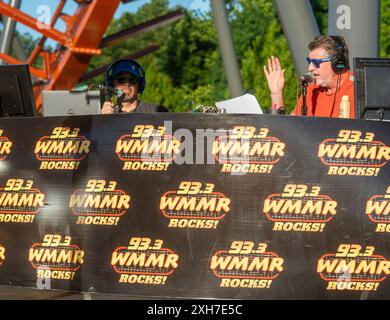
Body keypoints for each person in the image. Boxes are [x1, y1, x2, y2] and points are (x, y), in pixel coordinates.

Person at [264, 35, 355, 118]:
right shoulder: (312, 91)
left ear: (337, 63)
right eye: (309, 61)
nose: (310, 68)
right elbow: (288, 127)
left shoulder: (359, 90)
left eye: (316, 63)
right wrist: (277, 94)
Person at [101, 59, 168, 114]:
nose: (127, 83)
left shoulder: (157, 111)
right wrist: (102, 120)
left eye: (132, 80)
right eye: (121, 79)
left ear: (140, 84)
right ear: (112, 84)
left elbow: (171, 128)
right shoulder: (104, 114)